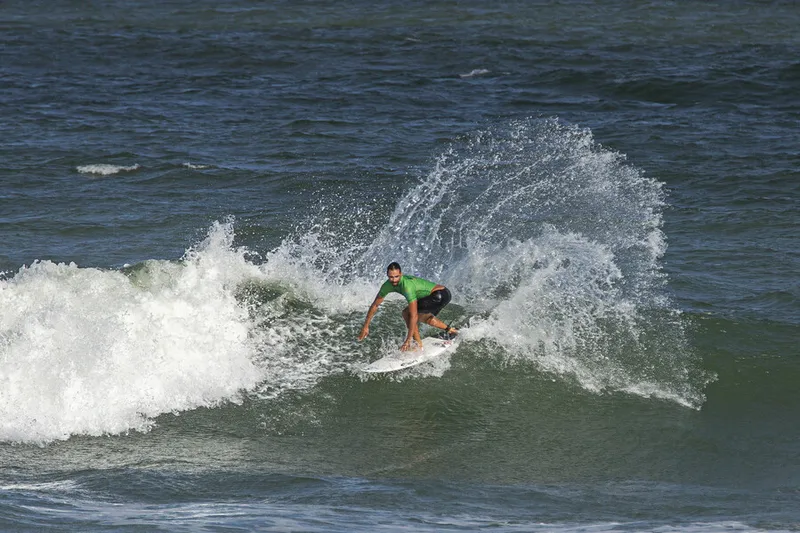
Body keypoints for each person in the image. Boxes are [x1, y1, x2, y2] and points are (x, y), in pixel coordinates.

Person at [358, 262, 458, 351]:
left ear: (401, 274)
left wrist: (408, 340)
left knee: (407, 313)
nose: (393, 280)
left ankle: (418, 345)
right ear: (387, 275)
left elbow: (413, 315)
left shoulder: (407, 287)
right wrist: (366, 326)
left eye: (396, 276)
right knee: (425, 318)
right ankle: (451, 330)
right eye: (391, 277)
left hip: (439, 295)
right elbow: (375, 305)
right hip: (441, 294)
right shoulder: (387, 286)